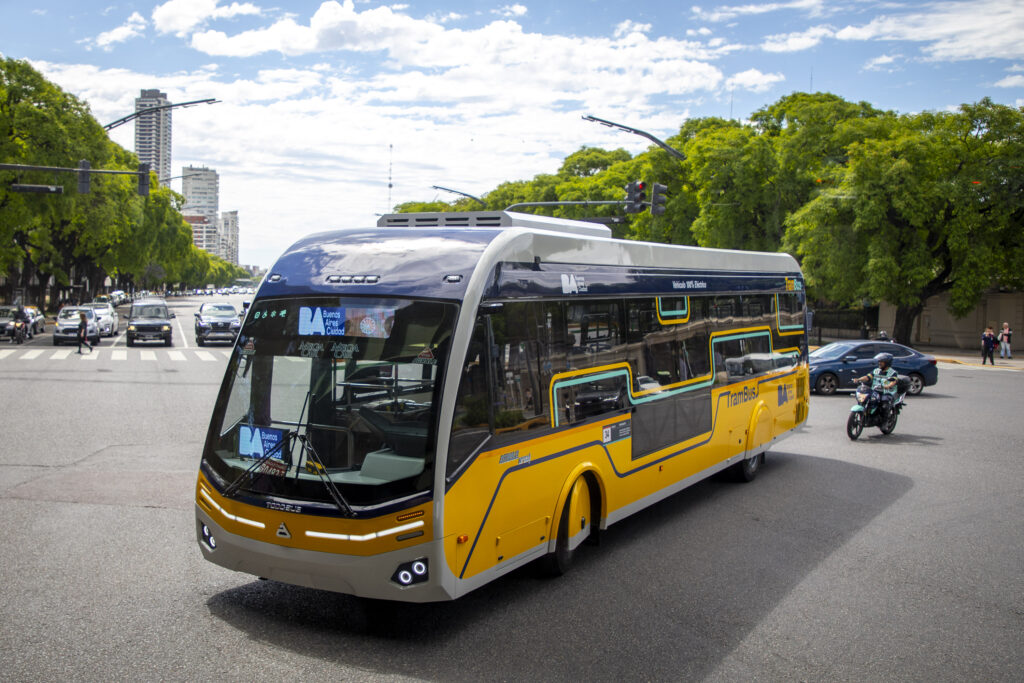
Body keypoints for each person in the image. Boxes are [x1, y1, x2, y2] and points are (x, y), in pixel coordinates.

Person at [855, 352, 899, 418]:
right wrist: (859, 379)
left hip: (886, 392)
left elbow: (894, 381)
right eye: (879, 361)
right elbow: (867, 377)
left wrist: (888, 386)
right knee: (866, 399)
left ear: (887, 363)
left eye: (881, 362)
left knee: (884, 405)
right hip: (875, 391)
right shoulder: (876, 371)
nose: (879, 363)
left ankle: (885, 421)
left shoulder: (892, 372)